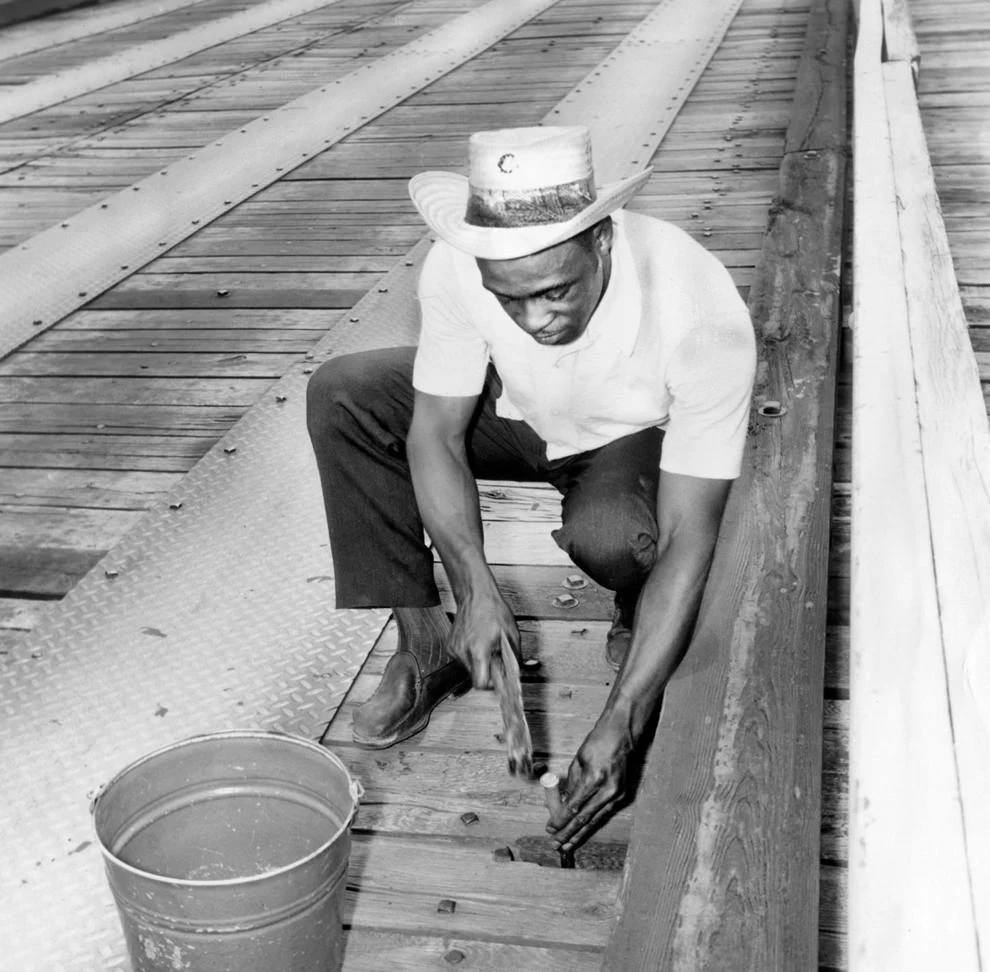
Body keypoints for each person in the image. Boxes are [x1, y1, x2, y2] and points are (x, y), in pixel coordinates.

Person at [306, 125, 756, 853]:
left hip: (626, 438)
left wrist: (625, 719)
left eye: (554, 292)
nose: (534, 319)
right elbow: (436, 434)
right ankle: (427, 647)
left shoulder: (699, 314)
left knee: (618, 534)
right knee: (346, 393)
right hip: (522, 412)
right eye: (508, 300)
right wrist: (475, 584)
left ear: (602, 239)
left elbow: (689, 533)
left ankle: (637, 615)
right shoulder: (460, 263)